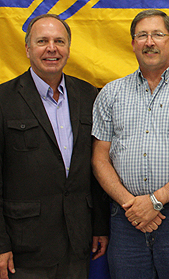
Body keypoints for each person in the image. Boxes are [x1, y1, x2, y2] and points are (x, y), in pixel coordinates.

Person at [91, 9, 169, 279]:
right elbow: (99, 159)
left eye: (158, 35)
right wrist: (133, 206)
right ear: (133, 44)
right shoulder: (110, 93)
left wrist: (155, 201)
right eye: (142, 35)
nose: (149, 42)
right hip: (127, 220)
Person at [0, 14, 109, 279]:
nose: (52, 48)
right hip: (24, 246)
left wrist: (100, 225)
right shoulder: (3, 99)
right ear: (27, 49)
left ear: (68, 49)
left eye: (59, 41)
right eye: (42, 41)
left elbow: (96, 165)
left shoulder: (89, 95)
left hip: (78, 240)